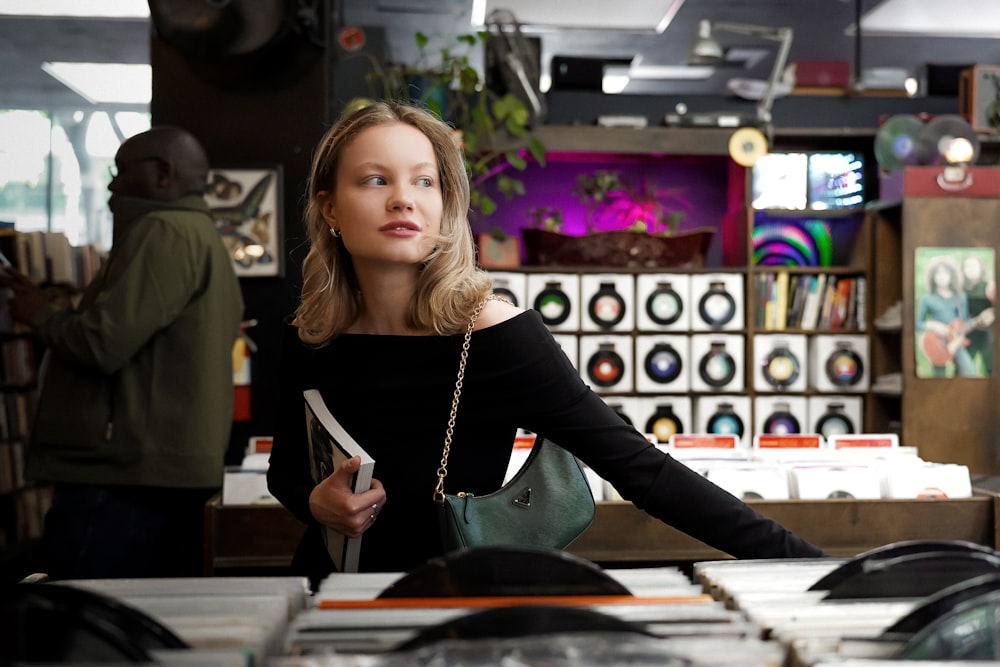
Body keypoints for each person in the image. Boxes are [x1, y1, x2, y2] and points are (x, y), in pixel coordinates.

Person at [267, 101, 824, 586]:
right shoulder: (310, 334)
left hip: (456, 606)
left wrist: (813, 569)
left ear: (445, 205)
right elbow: (288, 471)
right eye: (374, 180)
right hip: (328, 596)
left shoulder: (494, 334)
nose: (403, 200)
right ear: (330, 208)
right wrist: (315, 502)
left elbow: (639, 468)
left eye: (424, 181)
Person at [0, 126, 245, 579]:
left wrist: (39, 315)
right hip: (152, 467)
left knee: (79, 627)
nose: (113, 184)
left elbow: (102, 344)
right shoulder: (198, 233)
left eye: (121, 170)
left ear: (163, 173)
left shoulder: (163, 230)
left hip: (125, 476)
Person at [915, 255, 983, 378]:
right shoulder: (927, 299)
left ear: (952, 276)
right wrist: (933, 325)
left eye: (945, 273)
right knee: (939, 380)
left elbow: (965, 321)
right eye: (938, 274)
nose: (942, 277)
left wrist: (957, 342)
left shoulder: (961, 297)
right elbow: (917, 324)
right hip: (936, 343)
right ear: (932, 276)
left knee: (970, 372)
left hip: (956, 342)